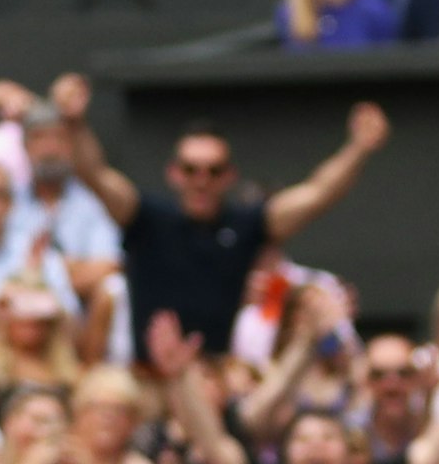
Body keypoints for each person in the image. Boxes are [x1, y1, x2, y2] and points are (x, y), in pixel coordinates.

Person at [35, 80, 389, 357]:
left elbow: (317, 195)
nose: (201, 180)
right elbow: (95, 174)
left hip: (218, 377)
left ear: (229, 176)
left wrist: (358, 149)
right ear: (174, 173)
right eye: (191, 170)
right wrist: (75, 123)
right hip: (151, 378)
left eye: (213, 170)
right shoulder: (147, 218)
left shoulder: (245, 225)